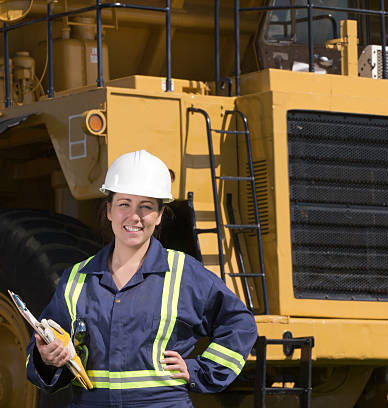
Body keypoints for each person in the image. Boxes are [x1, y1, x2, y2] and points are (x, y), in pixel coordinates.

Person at [25, 150, 258, 407]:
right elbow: (47, 351)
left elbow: (240, 324)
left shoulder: (184, 273)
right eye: (124, 203)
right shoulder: (77, 279)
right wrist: (47, 357)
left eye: (145, 206)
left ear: (158, 216)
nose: (134, 216)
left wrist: (200, 370)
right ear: (109, 211)